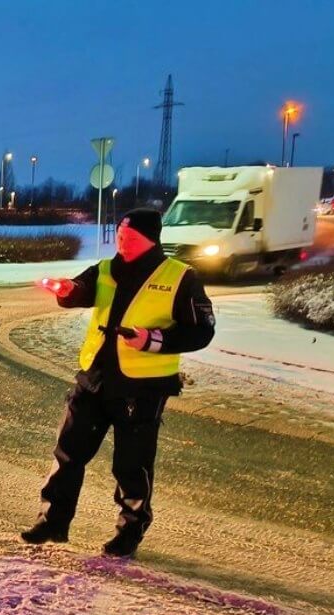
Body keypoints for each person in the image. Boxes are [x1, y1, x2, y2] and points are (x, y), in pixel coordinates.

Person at [21, 209, 215, 557]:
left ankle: (130, 530)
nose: (121, 241)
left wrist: (153, 340)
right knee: (68, 453)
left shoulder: (179, 277)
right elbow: (81, 291)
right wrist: (67, 290)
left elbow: (202, 330)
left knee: (130, 465)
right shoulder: (107, 269)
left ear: (149, 238)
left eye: (128, 237)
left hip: (143, 388)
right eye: (119, 235)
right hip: (94, 379)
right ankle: (52, 520)